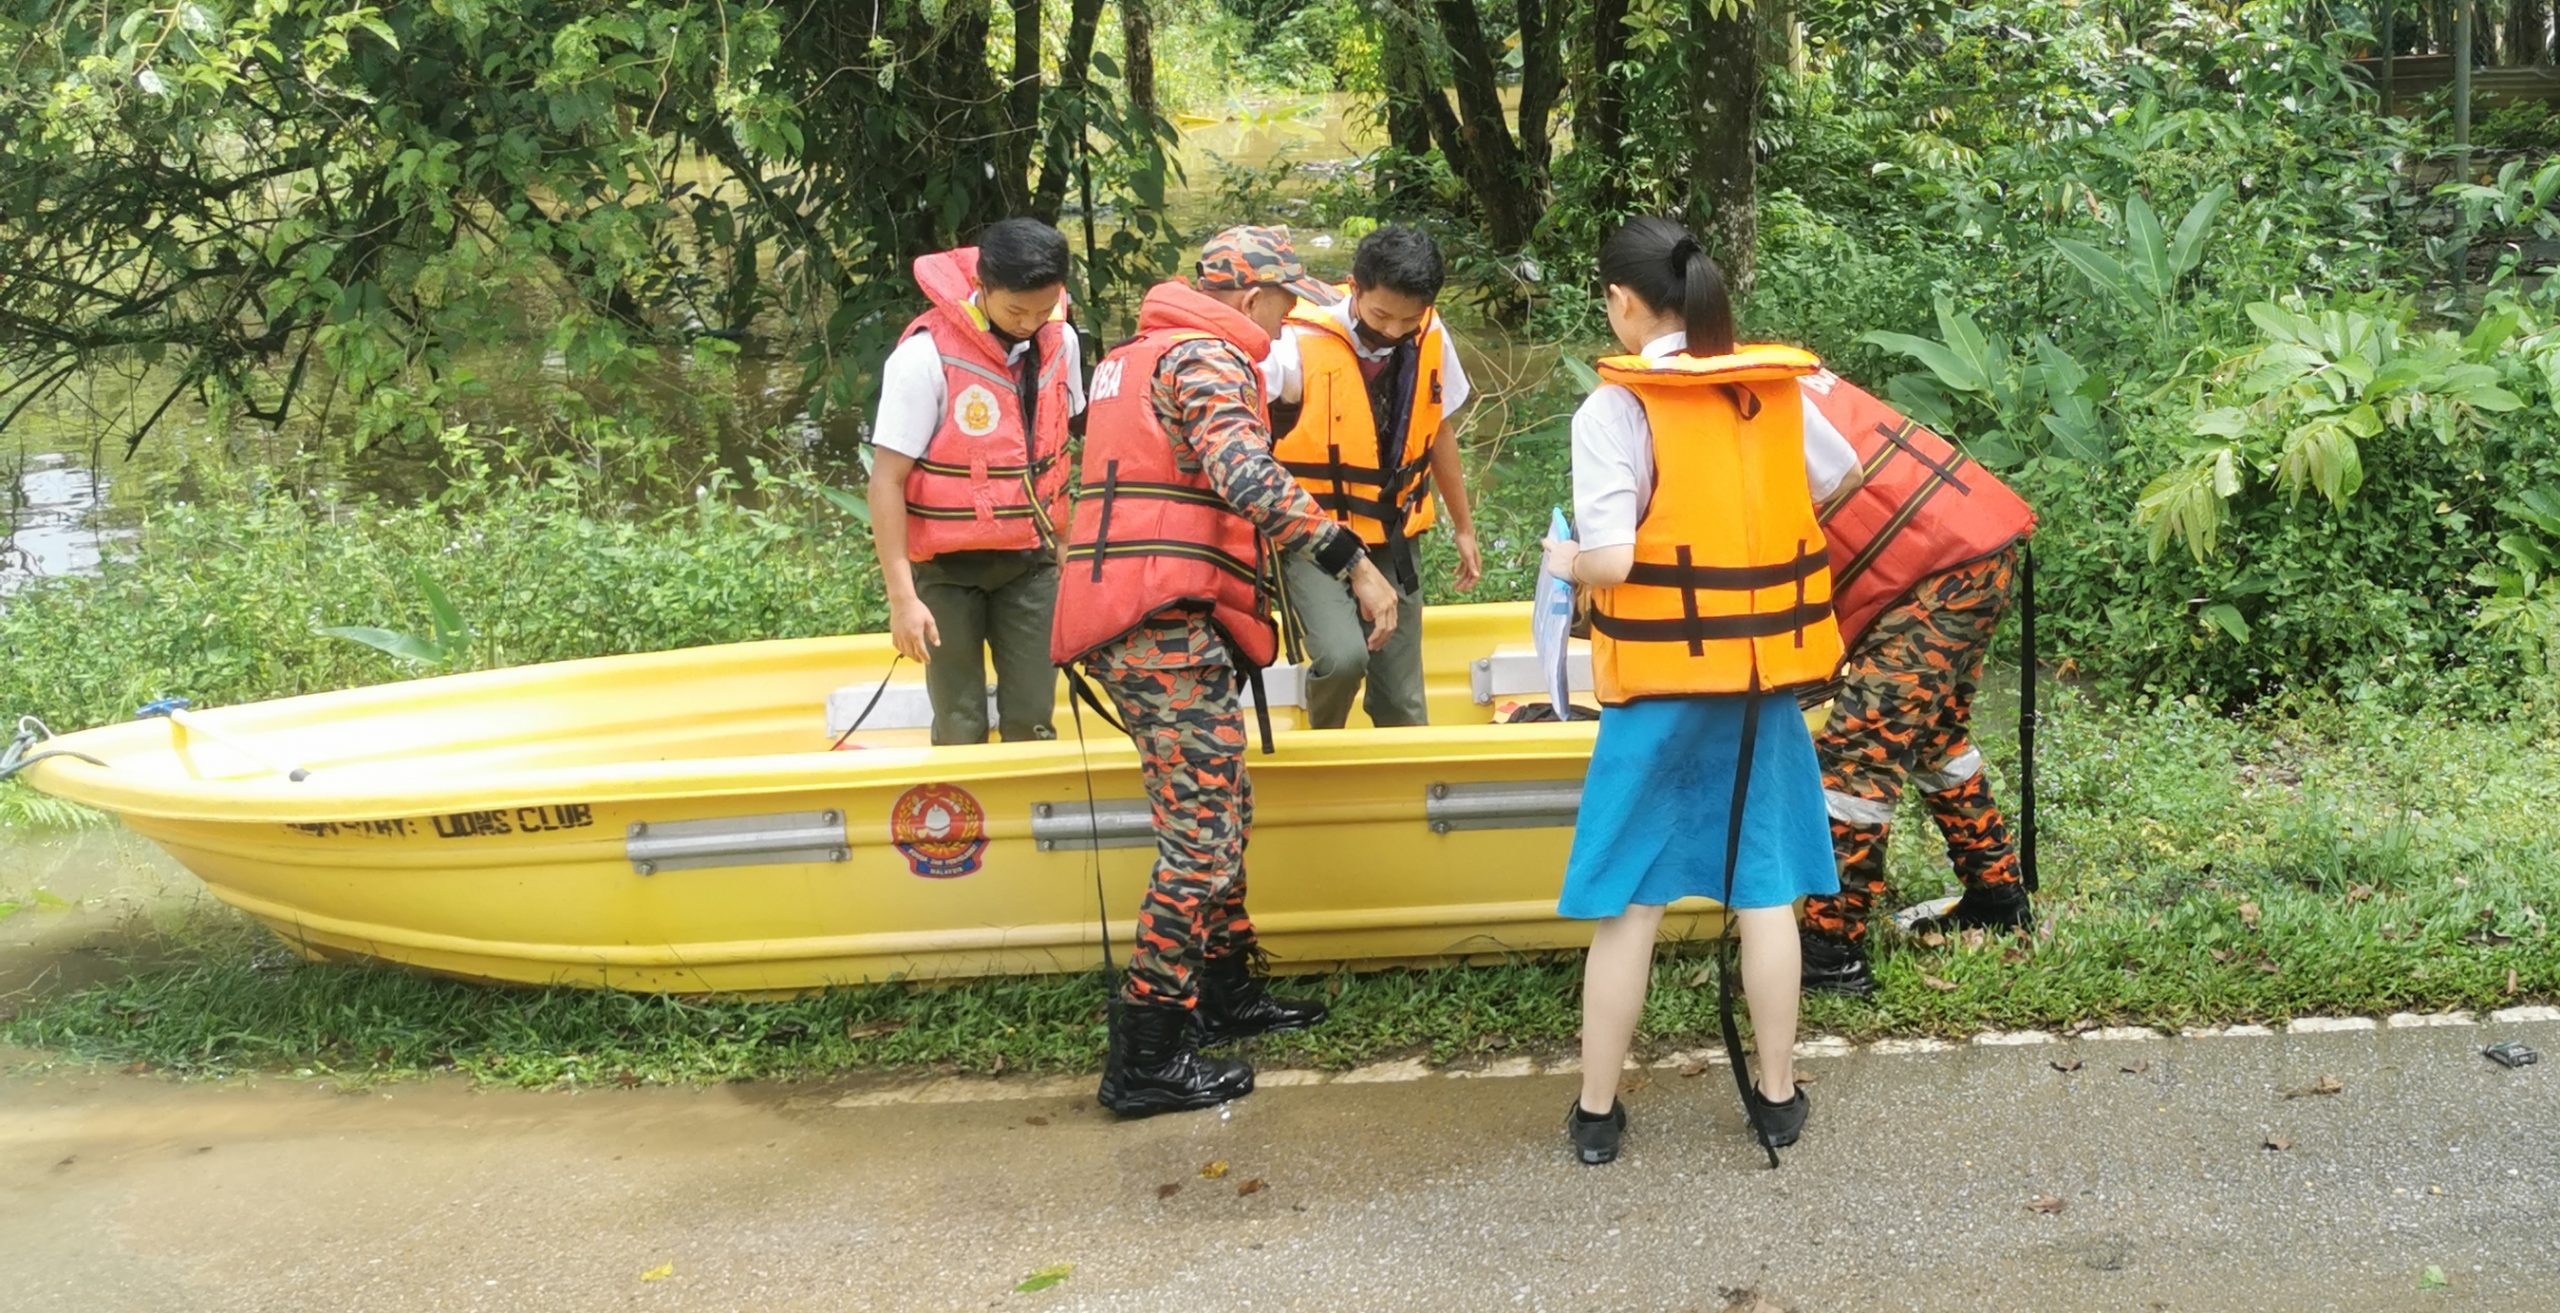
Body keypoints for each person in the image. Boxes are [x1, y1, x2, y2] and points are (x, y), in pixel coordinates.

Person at [1052, 226, 1405, 1118]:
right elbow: (1245, 474)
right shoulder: (1207, 357)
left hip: (1157, 619)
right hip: (1156, 628)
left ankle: (1225, 990)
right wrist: (1352, 559)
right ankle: (1147, 1054)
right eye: (1288, 302)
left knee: (1224, 804)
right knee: (1200, 836)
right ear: (1255, 301)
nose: (1292, 321)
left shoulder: (1138, 356)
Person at [1540, 216, 1858, 1166]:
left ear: (1622, 301)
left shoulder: (1614, 410)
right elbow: (1835, 480)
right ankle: (1774, 1096)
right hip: (1762, 683)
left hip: (1663, 690)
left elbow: (1610, 556)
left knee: (1630, 906)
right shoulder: (1774, 388)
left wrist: (1560, 556)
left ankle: (1598, 1112)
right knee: (1765, 891)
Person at [1793, 370, 2039, 996]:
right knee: (1935, 737)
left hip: (1940, 562)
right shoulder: (1761, 371)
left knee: (1856, 758)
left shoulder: (1711, 397)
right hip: (1972, 541)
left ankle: (1832, 953)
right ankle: (1998, 896)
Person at [867, 219, 1084, 745]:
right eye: (1016, 310)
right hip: (947, 571)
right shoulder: (922, 359)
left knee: (1033, 717)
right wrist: (902, 600)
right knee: (959, 721)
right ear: (981, 287)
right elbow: (886, 481)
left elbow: (1062, 448)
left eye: (1043, 308)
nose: (1030, 323)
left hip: (1030, 563)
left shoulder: (1062, 340)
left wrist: (1066, 543)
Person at [1260, 225, 1480, 727]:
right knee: (1343, 660)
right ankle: (1325, 748)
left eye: (1409, 318)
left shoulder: (1429, 335)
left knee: (1403, 700)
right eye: (1382, 315)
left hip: (1393, 534)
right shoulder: (1293, 344)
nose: (1394, 331)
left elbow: (1436, 428)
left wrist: (1463, 526)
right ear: (1354, 288)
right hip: (1314, 535)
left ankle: (1408, 783)